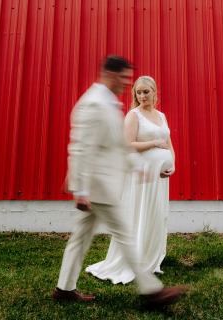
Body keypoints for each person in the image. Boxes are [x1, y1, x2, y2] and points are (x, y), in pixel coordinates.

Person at [53, 56, 183, 306]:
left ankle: (64, 288)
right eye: (123, 78)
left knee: (79, 239)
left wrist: (136, 167)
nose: (126, 84)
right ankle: (153, 291)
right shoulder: (93, 103)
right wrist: (80, 188)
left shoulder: (108, 102)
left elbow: (113, 146)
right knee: (124, 233)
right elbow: (81, 148)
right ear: (112, 75)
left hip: (99, 184)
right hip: (97, 185)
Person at [86, 75, 175, 284]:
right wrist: (154, 143)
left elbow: (169, 144)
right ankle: (134, 260)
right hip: (143, 176)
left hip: (160, 178)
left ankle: (151, 257)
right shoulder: (134, 116)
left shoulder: (161, 115)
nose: (142, 96)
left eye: (146, 91)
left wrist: (173, 164)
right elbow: (127, 144)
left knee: (156, 214)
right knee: (141, 214)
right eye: (138, 92)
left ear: (154, 92)